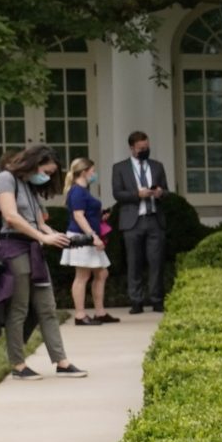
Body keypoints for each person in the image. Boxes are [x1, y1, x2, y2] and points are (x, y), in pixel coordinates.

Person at [0, 143, 85, 380]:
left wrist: (52, 234)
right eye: (46, 171)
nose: (47, 177)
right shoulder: (6, 178)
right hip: (13, 248)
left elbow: (38, 221)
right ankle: (18, 365)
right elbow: (11, 216)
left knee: (47, 307)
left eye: (51, 174)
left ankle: (62, 362)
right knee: (19, 309)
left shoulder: (29, 186)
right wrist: (43, 236)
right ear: (33, 163)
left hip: (32, 249)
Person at [110, 129, 169, 313]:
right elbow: (117, 193)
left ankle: (157, 299)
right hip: (132, 221)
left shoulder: (157, 166)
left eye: (147, 146)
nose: (145, 150)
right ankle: (136, 301)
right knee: (134, 262)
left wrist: (160, 193)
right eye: (141, 148)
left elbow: (167, 191)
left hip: (154, 219)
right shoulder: (119, 167)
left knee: (156, 262)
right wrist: (137, 194)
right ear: (132, 148)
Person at [61, 157, 116, 326]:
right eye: (92, 171)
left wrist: (100, 216)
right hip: (82, 237)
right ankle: (80, 315)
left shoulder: (83, 190)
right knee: (82, 276)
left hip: (88, 236)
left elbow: (86, 213)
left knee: (101, 273)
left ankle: (99, 312)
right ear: (84, 172)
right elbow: (78, 216)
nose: (94, 174)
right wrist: (93, 236)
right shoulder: (77, 191)